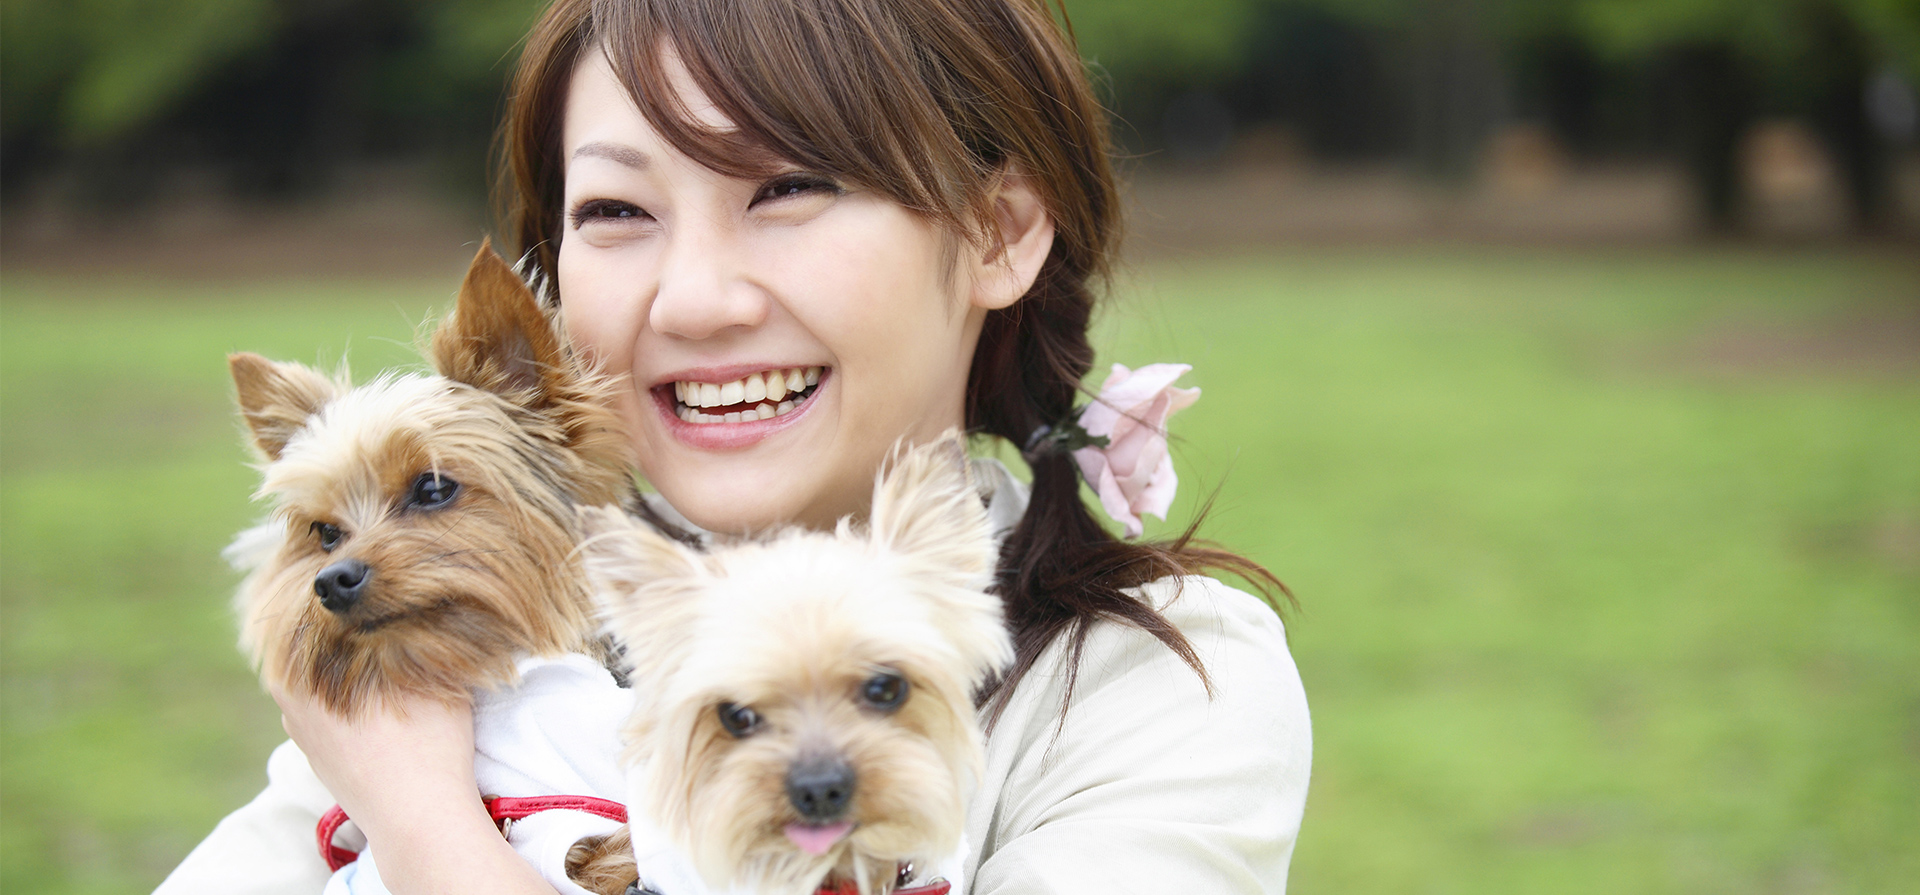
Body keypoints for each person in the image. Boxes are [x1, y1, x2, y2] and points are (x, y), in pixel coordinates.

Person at [156, 0, 1310, 892]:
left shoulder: (1156, 681)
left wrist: (426, 828)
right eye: (615, 212)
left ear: (998, 229)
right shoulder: (485, 643)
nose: (695, 301)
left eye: (790, 187)